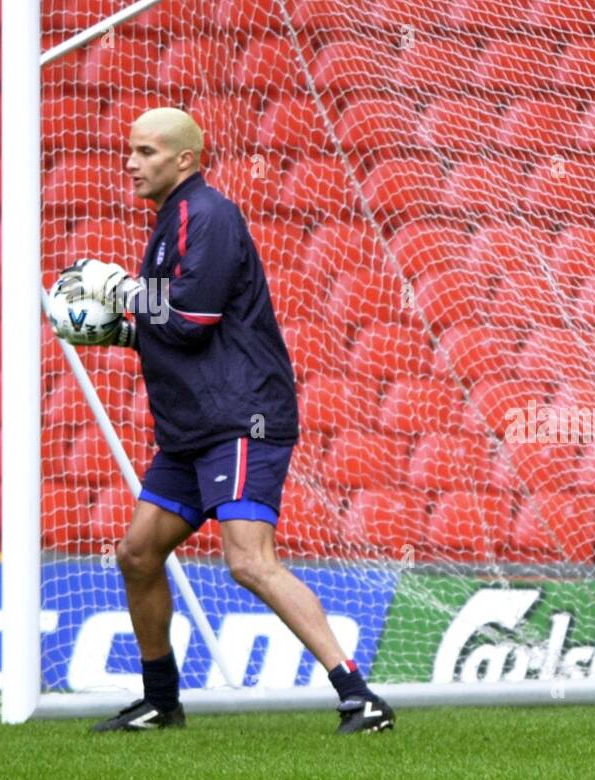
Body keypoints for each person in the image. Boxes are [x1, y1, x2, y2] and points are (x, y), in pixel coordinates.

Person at [51, 108, 395, 735]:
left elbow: (192, 319)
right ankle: (161, 701)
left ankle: (360, 697)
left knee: (248, 561)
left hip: (242, 418)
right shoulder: (170, 223)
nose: (132, 162)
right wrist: (121, 330)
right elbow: (173, 325)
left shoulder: (205, 215)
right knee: (136, 553)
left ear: (185, 160)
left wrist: (120, 290)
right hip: (191, 428)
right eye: (130, 150)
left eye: (147, 151)